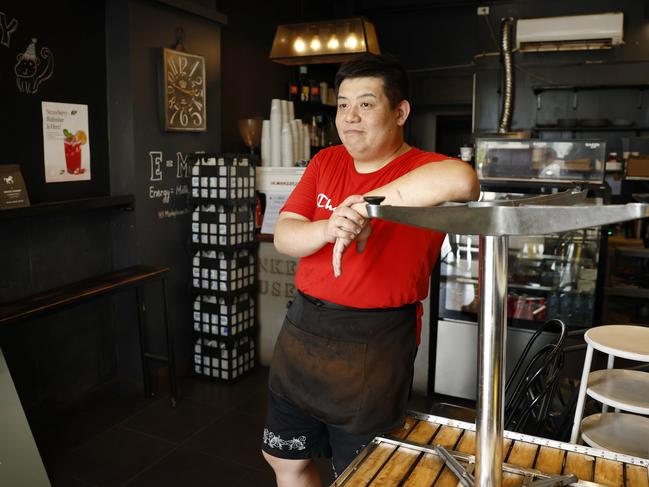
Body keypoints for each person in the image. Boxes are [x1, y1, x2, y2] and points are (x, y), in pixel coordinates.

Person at [261, 53, 480, 487]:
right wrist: (328, 227)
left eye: (365, 103)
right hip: (304, 329)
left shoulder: (423, 167)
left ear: (400, 112)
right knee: (283, 458)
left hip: (375, 344)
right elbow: (286, 235)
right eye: (343, 105)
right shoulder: (326, 162)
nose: (350, 117)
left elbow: (464, 180)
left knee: (363, 475)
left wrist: (365, 205)